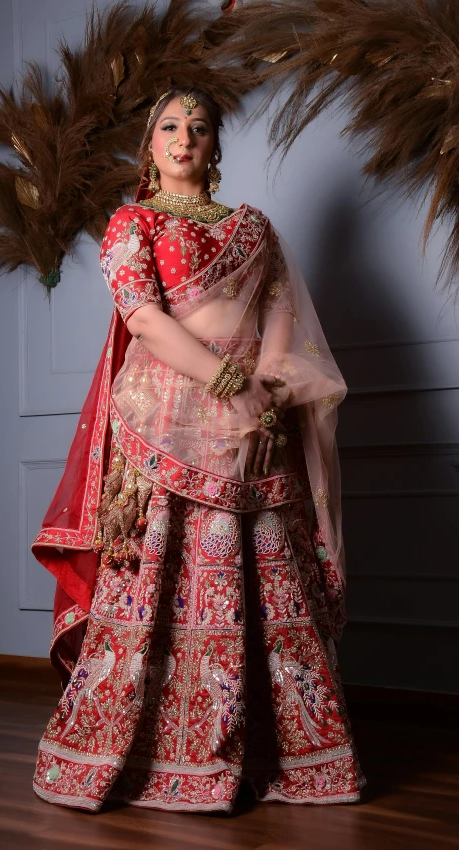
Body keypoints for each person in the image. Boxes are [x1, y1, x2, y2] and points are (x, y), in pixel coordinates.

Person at [32, 87, 365, 813]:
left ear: (216, 146)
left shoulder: (255, 227)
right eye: (170, 127)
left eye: (201, 127)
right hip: (170, 408)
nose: (185, 137)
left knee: (268, 569)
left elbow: (279, 308)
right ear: (150, 146)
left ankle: (280, 751)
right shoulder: (133, 221)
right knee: (164, 572)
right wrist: (224, 382)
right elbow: (143, 318)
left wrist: (267, 387)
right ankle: (161, 750)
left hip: (257, 410)